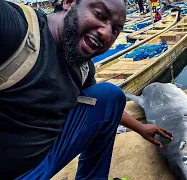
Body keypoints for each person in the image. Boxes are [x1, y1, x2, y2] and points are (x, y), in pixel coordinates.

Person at [0, 0, 173, 179]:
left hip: (45, 156)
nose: (106, 34)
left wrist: (140, 127)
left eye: (115, 30)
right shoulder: (16, 28)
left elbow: (104, 108)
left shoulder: (83, 67)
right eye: (99, 14)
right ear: (68, 2)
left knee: (109, 95)